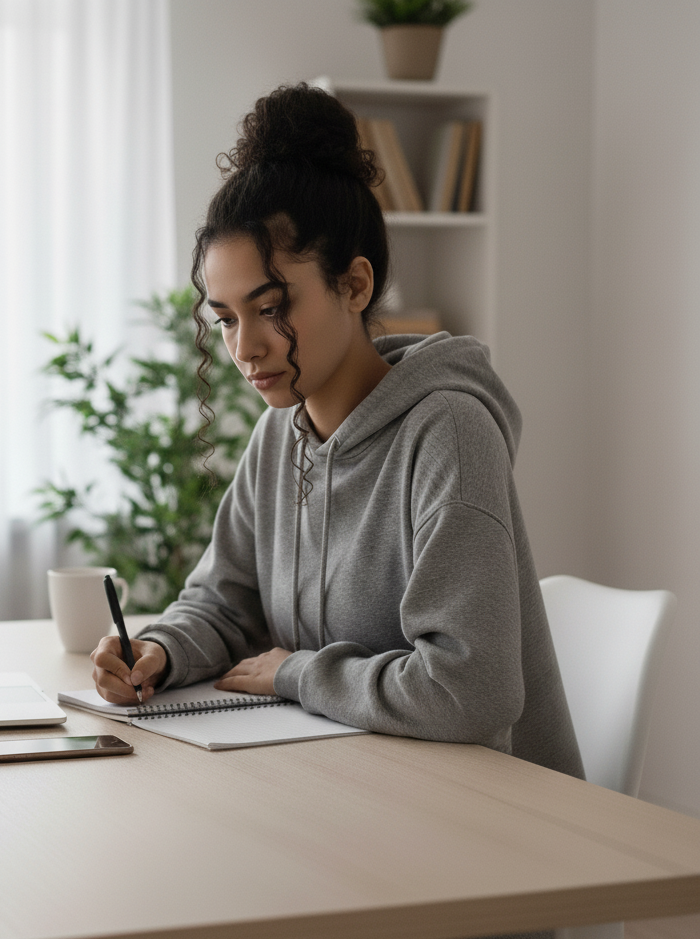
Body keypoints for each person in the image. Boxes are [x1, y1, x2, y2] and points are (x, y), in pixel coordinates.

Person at [90, 82, 584, 784]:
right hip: (357, 785)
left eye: (271, 307)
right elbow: (224, 602)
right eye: (227, 318)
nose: (245, 347)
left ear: (354, 285)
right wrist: (158, 650)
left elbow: (471, 691)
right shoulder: (277, 436)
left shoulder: (449, 432)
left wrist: (296, 672)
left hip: (494, 815)